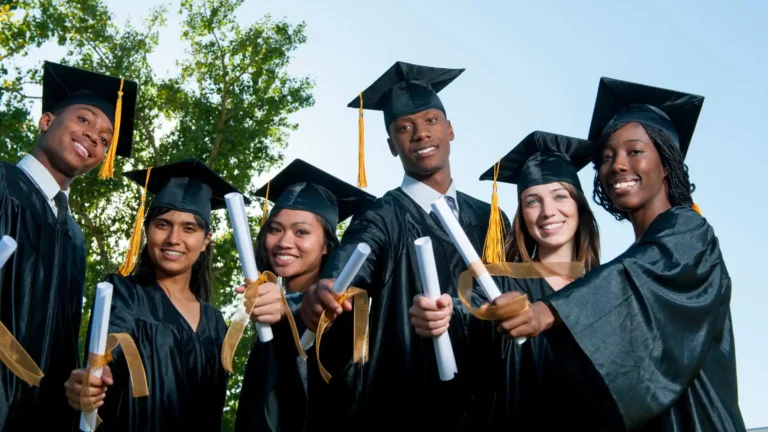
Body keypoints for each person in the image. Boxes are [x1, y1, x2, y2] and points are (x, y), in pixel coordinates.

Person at [497, 77, 747, 431]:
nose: (616, 164)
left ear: (666, 163)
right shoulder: (636, 254)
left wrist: (549, 310)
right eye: (607, 156)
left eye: (635, 151)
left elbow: (635, 278)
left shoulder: (689, 232)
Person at [302, 61, 511, 431]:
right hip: (407, 400)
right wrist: (329, 283)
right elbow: (356, 253)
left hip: (489, 399)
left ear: (450, 129)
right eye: (404, 127)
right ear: (391, 145)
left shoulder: (492, 218)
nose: (419, 134)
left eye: (431, 121)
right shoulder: (382, 213)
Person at [411, 130, 603, 430]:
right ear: (521, 215)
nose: (548, 211)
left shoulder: (606, 287)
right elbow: (470, 312)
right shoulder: (500, 283)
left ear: (579, 205)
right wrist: (443, 313)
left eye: (560, 196)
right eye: (532, 201)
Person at [0, 61, 137, 431]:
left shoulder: (74, 237)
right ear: (47, 121)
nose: (95, 137)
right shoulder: (2, 183)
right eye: (84, 119)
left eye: (107, 139)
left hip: (42, 414)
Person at [63, 158, 240, 431]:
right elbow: (107, 349)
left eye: (189, 228)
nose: (173, 238)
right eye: (162, 224)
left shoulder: (216, 323)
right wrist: (93, 379)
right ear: (147, 230)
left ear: (206, 241)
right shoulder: (123, 293)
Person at [234, 158, 375, 432]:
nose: (284, 242)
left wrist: (289, 308)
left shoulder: (346, 311)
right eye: (275, 229)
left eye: (302, 232)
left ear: (326, 246)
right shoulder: (265, 322)